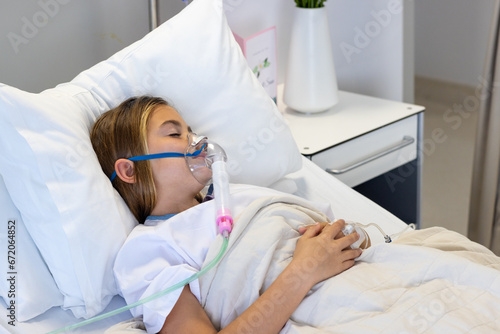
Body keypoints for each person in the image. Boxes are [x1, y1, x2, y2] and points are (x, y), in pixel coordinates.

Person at [90, 96, 363, 334]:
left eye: (191, 131)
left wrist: (349, 238)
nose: (198, 142)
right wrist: (303, 271)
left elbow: (340, 240)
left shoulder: (236, 196)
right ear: (130, 171)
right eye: (175, 135)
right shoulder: (147, 250)